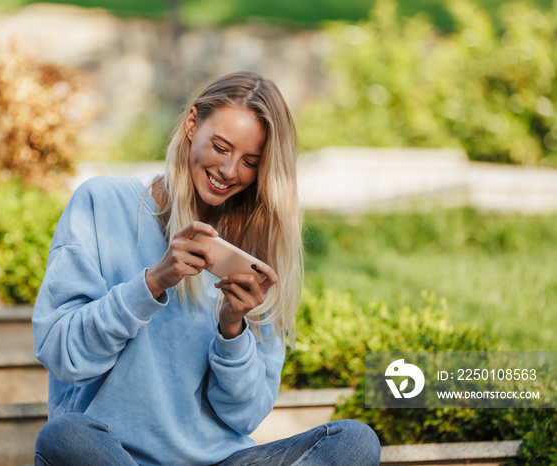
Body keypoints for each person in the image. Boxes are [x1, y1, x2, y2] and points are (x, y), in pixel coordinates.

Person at [32, 71, 381, 465]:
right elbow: (62, 354)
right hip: (116, 456)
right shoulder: (101, 203)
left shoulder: (256, 248)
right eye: (220, 147)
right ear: (192, 123)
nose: (230, 171)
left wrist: (232, 328)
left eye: (250, 161)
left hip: (221, 460)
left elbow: (245, 414)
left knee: (354, 441)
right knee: (65, 437)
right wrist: (152, 283)